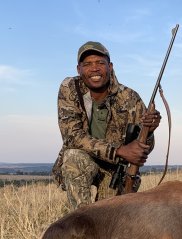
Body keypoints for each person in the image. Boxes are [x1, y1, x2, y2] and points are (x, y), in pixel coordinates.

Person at [52, 41, 161, 208]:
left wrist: (150, 131)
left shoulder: (130, 97)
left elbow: (142, 149)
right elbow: (72, 136)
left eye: (100, 63)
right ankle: (82, 223)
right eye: (87, 64)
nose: (94, 68)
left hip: (115, 170)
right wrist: (119, 151)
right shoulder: (70, 88)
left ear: (110, 66)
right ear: (78, 69)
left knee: (110, 220)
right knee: (73, 157)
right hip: (85, 159)